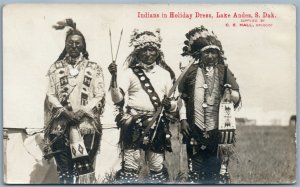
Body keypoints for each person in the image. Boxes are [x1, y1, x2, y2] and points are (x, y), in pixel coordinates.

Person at [108, 29, 176, 183]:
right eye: (144, 49)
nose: (148, 53)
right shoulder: (129, 73)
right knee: (131, 164)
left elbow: (174, 106)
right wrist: (114, 77)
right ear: (137, 52)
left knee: (156, 165)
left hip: (156, 122)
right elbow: (117, 99)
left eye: (152, 49)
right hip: (133, 122)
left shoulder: (165, 74)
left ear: (158, 52)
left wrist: (168, 104)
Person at [43, 19, 105, 184]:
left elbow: (99, 95)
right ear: (66, 44)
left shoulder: (94, 68)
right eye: (70, 43)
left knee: (84, 170)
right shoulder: (55, 68)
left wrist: (81, 112)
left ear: (83, 45)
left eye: (78, 43)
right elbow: (50, 94)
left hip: (86, 126)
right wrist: (65, 113)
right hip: (60, 127)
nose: (74, 46)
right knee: (65, 171)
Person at [178, 26, 241, 184]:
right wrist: (183, 119)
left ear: (219, 54)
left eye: (214, 52)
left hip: (218, 131)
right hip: (194, 128)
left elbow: (237, 97)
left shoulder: (224, 71)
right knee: (195, 172)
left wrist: (229, 94)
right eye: (207, 52)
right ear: (199, 53)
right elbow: (181, 98)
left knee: (215, 172)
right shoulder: (189, 72)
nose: (211, 56)